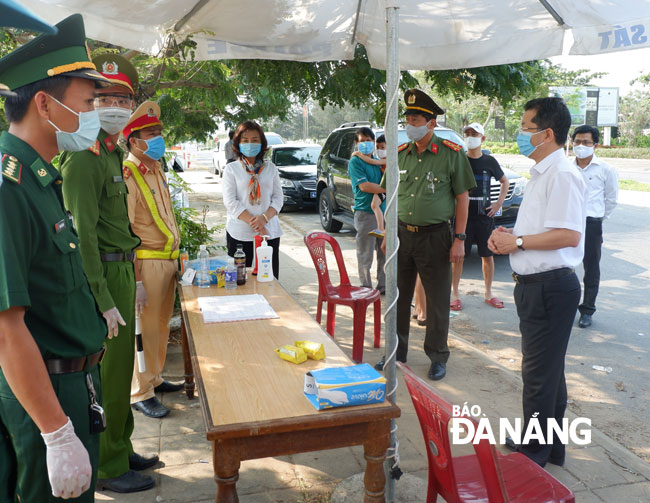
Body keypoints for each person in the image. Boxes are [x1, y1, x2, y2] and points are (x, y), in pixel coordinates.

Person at [0, 14, 109, 501]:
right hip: (45, 397)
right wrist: (56, 433)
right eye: (87, 103)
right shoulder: (8, 187)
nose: (94, 115)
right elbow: (6, 327)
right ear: (44, 103)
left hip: (71, 385)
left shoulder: (40, 176)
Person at [59, 55, 157, 493]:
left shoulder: (111, 152)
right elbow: (83, 236)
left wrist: (130, 280)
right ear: (91, 103)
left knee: (121, 377)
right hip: (102, 278)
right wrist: (102, 299)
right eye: (105, 97)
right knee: (108, 379)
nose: (115, 104)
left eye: (123, 97)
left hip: (120, 271)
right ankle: (108, 467)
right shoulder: (83, 158)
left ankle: (121, 445)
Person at [489, 97, 586, 467]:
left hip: (549, 288)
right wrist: (510, 236)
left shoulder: (561, 174)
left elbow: (568, 235)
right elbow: (542, 230)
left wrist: (517, 242)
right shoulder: (544, 173)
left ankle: (533, 453)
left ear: (547, 134)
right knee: (548, 371)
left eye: (526, 128)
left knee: (538, 375)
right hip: (538, 285)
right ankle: (550, 444)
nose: (520, 134)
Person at [375, 89, 476, 381]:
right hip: (402, 237)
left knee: (436, 300)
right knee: (397, 296)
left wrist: (459, 238)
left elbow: (462, 198)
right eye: (407, 118)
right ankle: (396, 352)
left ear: (431, 123)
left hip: (436, 238)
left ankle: (437, 355)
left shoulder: (451, 154)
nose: (410, 124)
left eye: (416, 118)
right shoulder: (400, 154)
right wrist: (386, 233)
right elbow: (389, 197)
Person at [123, 101, 183, 419]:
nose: (158, 138)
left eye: (160, 132)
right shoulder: (129, 174)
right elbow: (127, 230)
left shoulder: (156, 170)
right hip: (146, 263)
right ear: (134, 140)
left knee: (160, 327)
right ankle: (140, 392)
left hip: (167, 261)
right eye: (151, 133)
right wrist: (135, 280)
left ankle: (155, 379)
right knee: (144, 331)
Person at [451, 122, 509, 311]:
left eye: (474, 134)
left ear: (483, 138)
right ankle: (455, 294)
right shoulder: (459, 159)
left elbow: (504, 181)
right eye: (467, 133)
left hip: (484, 217)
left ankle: (488, 292)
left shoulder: (489, 161)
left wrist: (498, 203)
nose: (470, 137)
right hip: (462, 218)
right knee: (459, 257)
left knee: (487, 255)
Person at [222, 120, 283, 279]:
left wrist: (264, 219)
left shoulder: (271, 168)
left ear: (262, 143)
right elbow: (230, 202)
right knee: (242, 281)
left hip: (269, 233)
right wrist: (255, 223)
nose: (250, 144)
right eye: (245, 140)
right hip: (240, 234)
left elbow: (278, 198)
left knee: (269, 279)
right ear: (238, 143)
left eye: (255, 140)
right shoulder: (231, 169)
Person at [571, 125, 618, 328]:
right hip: (569, 222)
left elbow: (611, 199)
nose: (581, 145)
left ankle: (587, 310)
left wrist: (598, 219)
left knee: (591, 268)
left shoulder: (605, 169)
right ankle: (564, 307)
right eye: (577, 141)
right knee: (564, 266)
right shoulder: (566, 167)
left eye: (586, 142)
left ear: (595, 145)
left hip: (591, 224)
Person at [348, 127, 386, 293]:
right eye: (362, 141)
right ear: (357, 143)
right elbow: (365, 186)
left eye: (368, 140)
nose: (366, 144)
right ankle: (366, 288)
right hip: (365, 215)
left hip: (383, 215)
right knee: (365, 254)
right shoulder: (355, 162)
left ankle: (384, 287)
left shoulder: (379, 161)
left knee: (384, 251)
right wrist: (388, 189)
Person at [353, 133, 388, 238]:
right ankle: (381, 228)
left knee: (374, 205)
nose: (379, 150)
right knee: (374, 205)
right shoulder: (381, 161)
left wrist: (358, 154)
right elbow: (364, 186)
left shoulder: (388, 159)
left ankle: (381, 228)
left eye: (382, 147)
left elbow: (371, 161)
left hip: (385, 190)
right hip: (383, 190)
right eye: (378, 147)